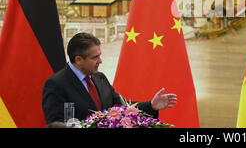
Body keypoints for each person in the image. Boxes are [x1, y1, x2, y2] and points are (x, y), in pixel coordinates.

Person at [42, 32, 177, 124]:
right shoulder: (56, 85)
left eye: (100, 55)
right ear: (78, 59)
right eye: (95, 57)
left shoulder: (99, 78)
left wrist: (151, 105)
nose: (100, 61)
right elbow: (56, 125)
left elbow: (120, 107)